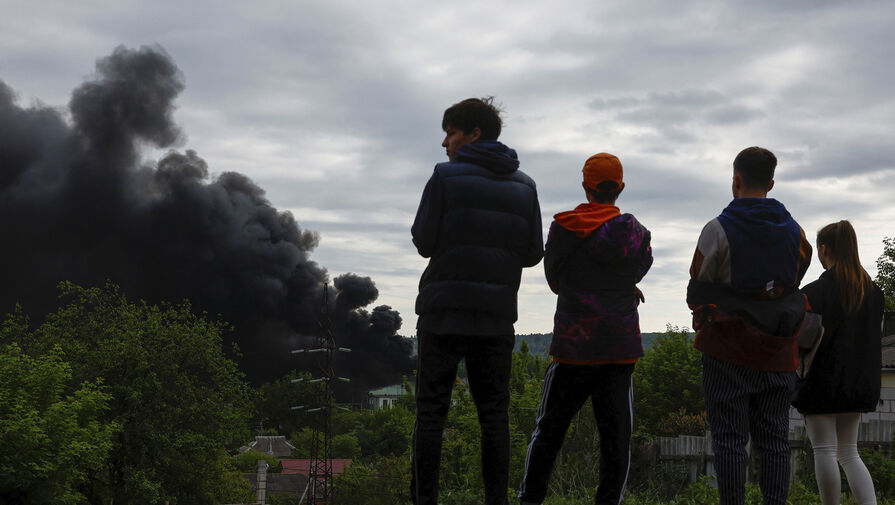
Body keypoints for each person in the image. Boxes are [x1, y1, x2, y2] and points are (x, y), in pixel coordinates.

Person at [410, 97, 544, 505]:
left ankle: (424, 500)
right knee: (494, 416)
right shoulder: (525, 185)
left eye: (450, 132)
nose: (445, 142)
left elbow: (423, 241)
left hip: (442, 313)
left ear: (473, 134)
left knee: (432, 413)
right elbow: (533, 253)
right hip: (496, 318)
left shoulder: (444, 177)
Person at [518, 152, 653, 505]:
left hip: (574, 349)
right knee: (616, 439)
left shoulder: (564, 227)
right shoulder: (636, 234)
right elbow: (636, 271)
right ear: (620, 188)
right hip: (619, 349)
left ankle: (530, 499)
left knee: (548, 431)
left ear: (585, 187)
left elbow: (554, 280)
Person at [687, 146, 813, 505]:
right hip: (778, 352)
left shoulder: (717, 230)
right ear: (771, 183)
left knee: (729, 442)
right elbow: (796, 276)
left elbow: (698, 284)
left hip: (727, 350)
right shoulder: (797, 233)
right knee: (774, 440)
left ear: (736, 180)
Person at [792, 221, 884, 505]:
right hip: (858, 384)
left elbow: (803, 339)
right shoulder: (874, 293)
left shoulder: (815, 292)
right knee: (849, 452)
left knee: (824, 451)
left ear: (824, 249)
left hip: (821, 384)